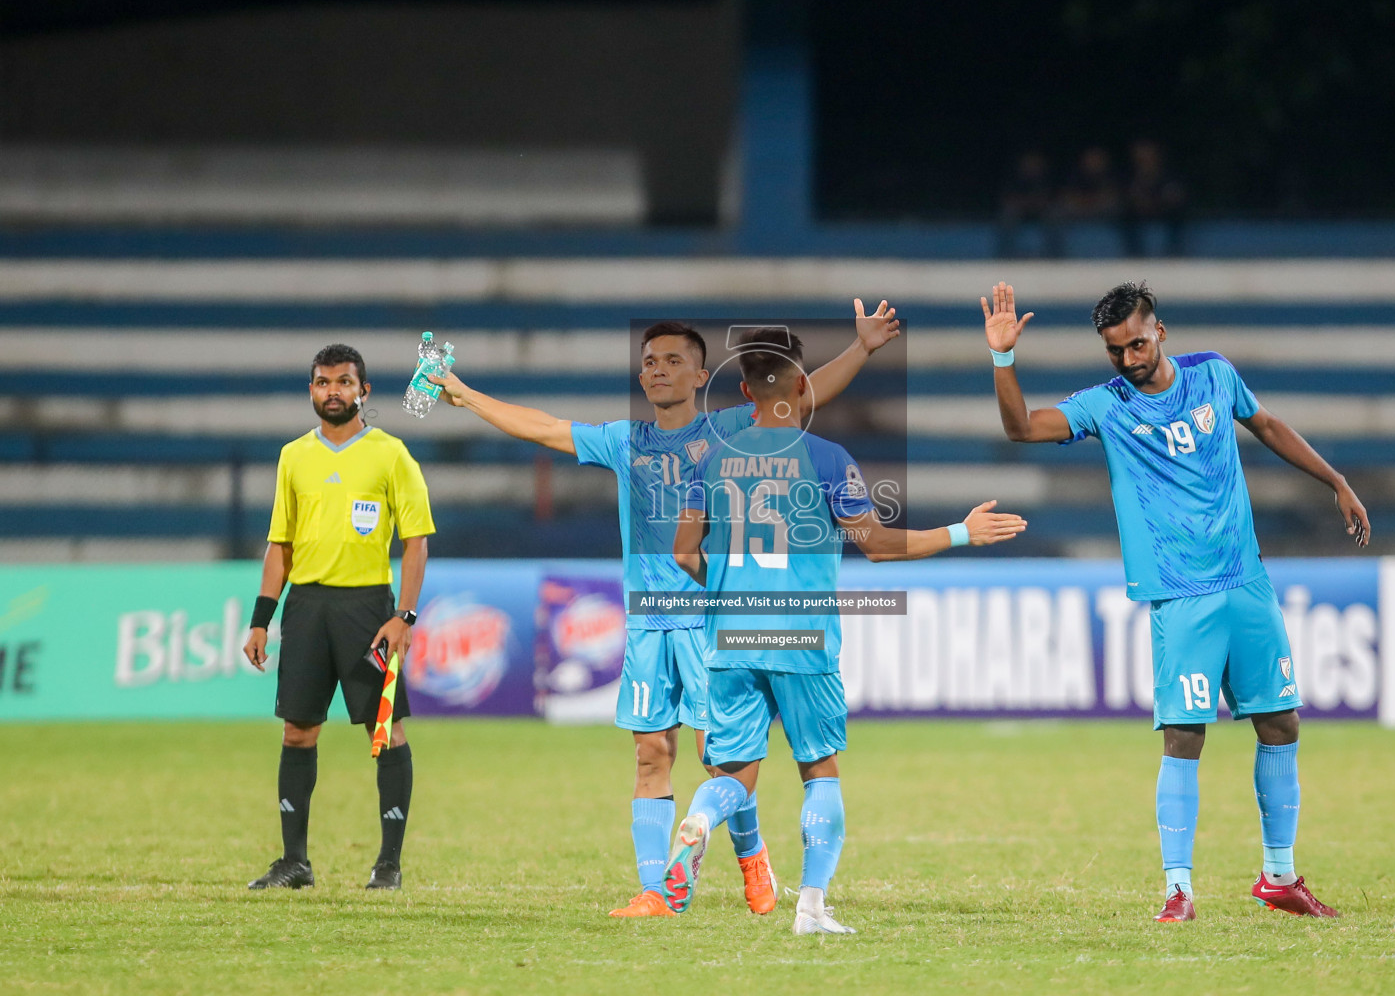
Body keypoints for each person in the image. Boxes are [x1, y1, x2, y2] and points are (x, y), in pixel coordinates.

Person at [428, 306, 901, 918]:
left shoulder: (729, 429)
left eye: (673, 360)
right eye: (649, 361)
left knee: (723, 757)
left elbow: (799, 396)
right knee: (651, 752)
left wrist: (861, 349)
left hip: (711, 618)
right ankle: (657, 891)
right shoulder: (626, 441)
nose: (658, 370)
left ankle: (753, 857)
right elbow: (544, 428)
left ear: (702, 375)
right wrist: (465, 396)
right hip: (650, 619)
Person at [981, 280, 1371, 922]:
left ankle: (1278, 877)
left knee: (1280, 724)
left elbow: (1267, 425)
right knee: (1185, 735)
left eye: (1137, 344)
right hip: (1180, 593)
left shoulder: (1215, 374)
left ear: (1160, 331)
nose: (1130, 360)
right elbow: (1021, 427)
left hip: (1246, 580)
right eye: (1116, 352)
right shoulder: (1105, 406)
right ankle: (1179, 890)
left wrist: (1336, 479)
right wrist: (1002, 358)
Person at [663, 327, 1028, 935]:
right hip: (801, 637)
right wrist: (961, 532)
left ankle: (700, 820)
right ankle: (811, 908)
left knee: (733, 777)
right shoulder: (827, 458)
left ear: (745, 390)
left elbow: (682, 553)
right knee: (819, 770)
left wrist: (727, 585)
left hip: (729, 636)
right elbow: (878, 547)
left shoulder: (714, 458)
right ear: (803, 386)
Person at [242, 343, 435, 891]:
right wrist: (261, 619)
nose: (334, 392)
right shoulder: (293, 456)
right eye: (323, 383)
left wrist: (405, 615)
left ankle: (389, 864)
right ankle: (294, 862)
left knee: (386, 733)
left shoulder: (391, 454)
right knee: (297, 731)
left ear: (363, 391)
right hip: (306, 607)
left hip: (367, 610)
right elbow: (280, 544)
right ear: (311, 390)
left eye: (344, 383)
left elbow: (416, 543)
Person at [1121, 140, 1187, 258]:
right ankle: (1134, 255)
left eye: (1148, 153)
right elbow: (1129, 197)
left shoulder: (1169, 174)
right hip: (1138, 213)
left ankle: (1174, 253)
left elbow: (1175, 196)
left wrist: (1157, 202)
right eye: (1141, 154)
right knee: (1127, 217)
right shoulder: (1129, 175)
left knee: (1177, 217)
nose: (1145, 158)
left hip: (1164, 212)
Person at [996, 150, 1060, 258]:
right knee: (1008, 214)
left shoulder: (1046, 178)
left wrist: (1038, 203)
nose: (1031, 167)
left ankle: (1055, 254)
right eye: (1029, 164)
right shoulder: (1015, 179)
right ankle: (1005, 255)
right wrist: (1026, 203)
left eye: (1034, 164)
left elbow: (1052, 198)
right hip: (1020, 210)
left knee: (1055, 214)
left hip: (1042, 210)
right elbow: (1007, 199)